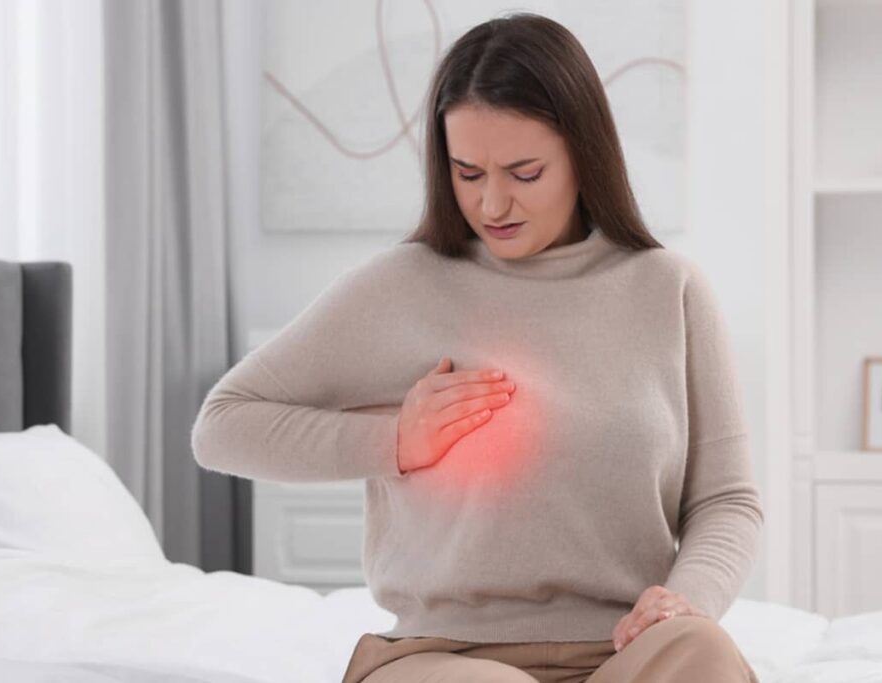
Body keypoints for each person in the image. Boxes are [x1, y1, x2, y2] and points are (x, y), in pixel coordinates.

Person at [191, 11, 763, 683]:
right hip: (446, 659)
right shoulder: (402, 284)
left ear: (585, 153)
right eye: (468, 172)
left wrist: (685, 598)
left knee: (706, 653)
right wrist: (395, 443)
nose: (493, 203)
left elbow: (726, 499)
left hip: (621, 653)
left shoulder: (670, 290)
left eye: (524, 172)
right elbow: (221, 426)